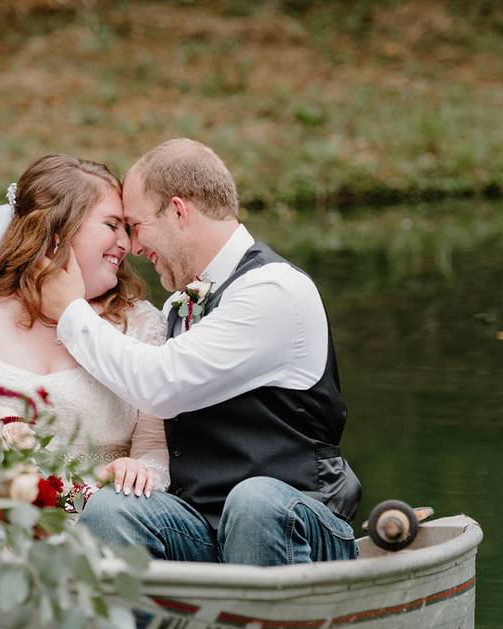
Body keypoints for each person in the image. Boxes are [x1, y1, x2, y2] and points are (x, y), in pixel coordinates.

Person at [39, 138, 361, 566]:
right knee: (112, 510)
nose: (133, 247)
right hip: (205, 527)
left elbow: (160, 384)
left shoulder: (273, 291)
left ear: (177, 211)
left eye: (136, 226)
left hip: (298, 522)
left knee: (254, 501)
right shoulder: (183, 302)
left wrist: (72, 314)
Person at [0, 154, 170, 497]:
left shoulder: (143, 325)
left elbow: (155, 452)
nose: (126, 244)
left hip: (103, 523)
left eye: (127, 229)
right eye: (112, 225)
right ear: (58, 230)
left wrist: (139, 470)